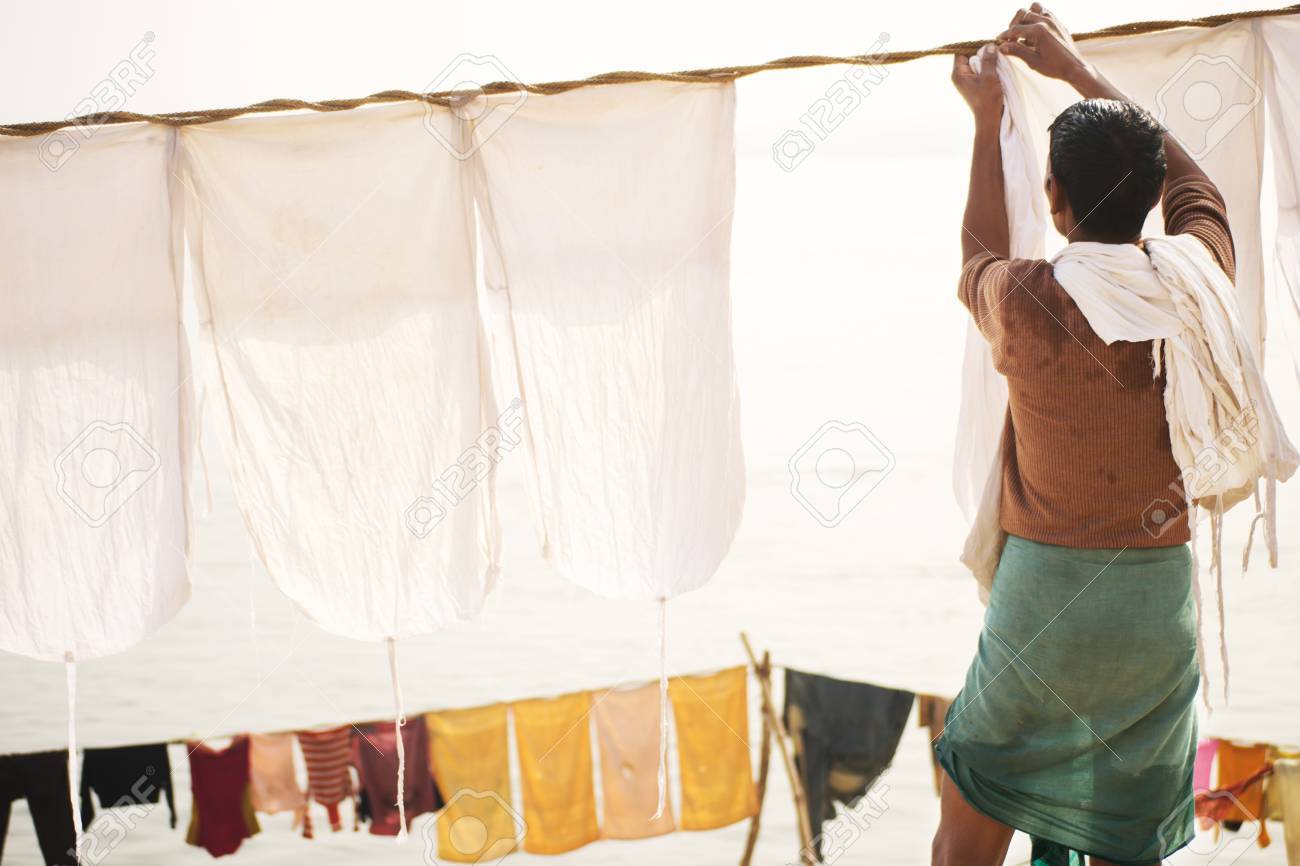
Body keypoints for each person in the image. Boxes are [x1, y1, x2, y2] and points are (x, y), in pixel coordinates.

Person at [936, 6, 1239, 865]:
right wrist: (1079, 74)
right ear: (1150, 197)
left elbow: (973, 255)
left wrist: (988, 118)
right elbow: (1201, 196)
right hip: (1153, 609)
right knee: (1122, 824)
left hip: (1043, 605)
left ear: (1055, 201)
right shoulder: (1196, 281)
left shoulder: (1026, 301)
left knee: (976, 790)